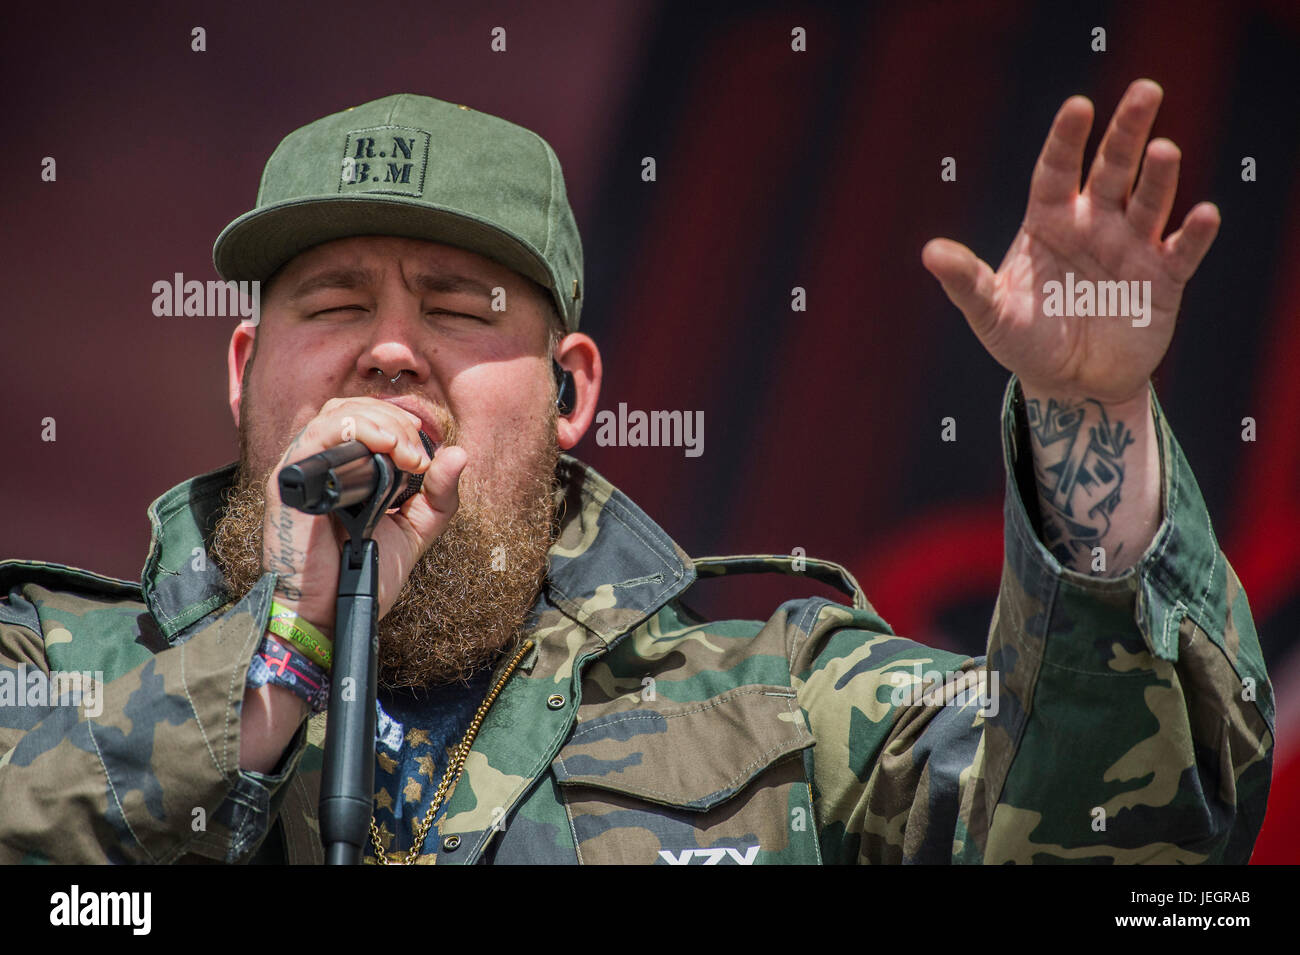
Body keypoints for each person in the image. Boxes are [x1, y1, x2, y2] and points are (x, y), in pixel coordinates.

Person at [0, 86, 1273, 865]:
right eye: (334, 303)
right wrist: (277, 659)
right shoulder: (47, 666)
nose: (390, 346)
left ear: (572, 394)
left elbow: (1126, 848)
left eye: (456, 305)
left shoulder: (778, 708)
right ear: (243, 371)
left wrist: (1084, 416)